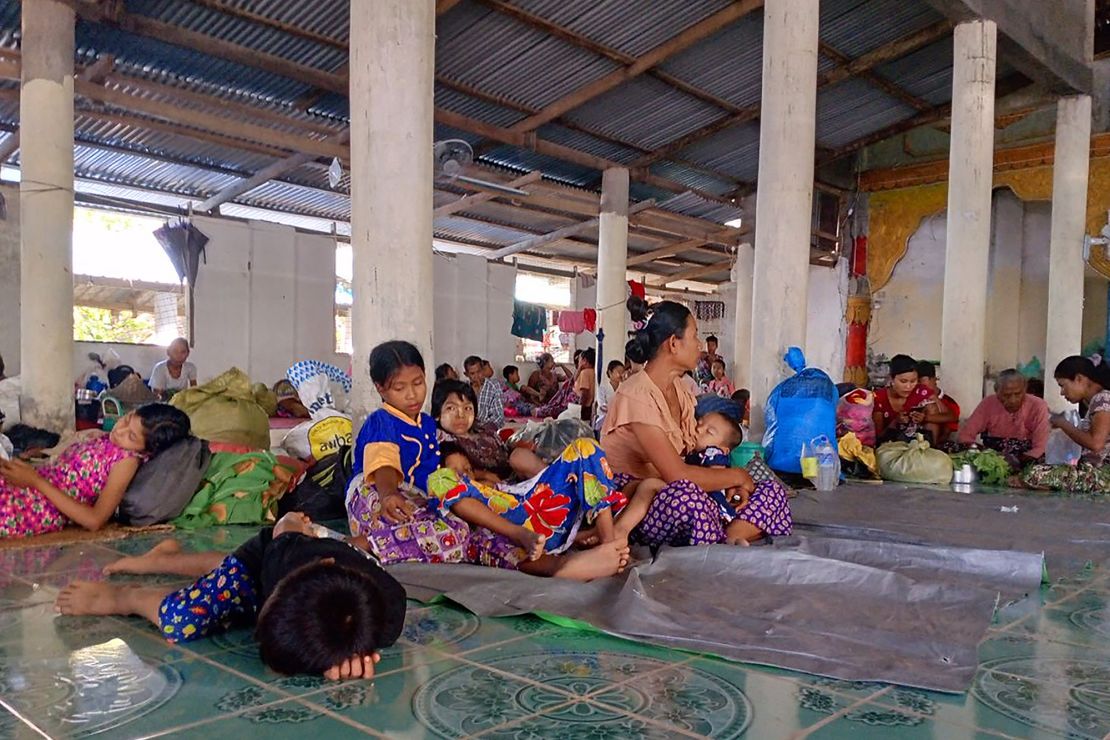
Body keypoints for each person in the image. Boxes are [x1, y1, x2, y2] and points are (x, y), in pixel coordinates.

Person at [55, 511, 406, 680]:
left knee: (231, 587)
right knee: (185, 618)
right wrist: (293, 521)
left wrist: (342, 655)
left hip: (287, 570)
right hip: (272, 548)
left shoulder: (388, 614)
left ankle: (166, 558)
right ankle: (126, 595)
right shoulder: (289, 552)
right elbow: (284, 526)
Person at [601, 301, 766, 547]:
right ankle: (726, 532)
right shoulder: (636, 394)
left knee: (769, 492)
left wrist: (728, 482)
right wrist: (737, 476)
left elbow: (692, 458)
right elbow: (677, 475)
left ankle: (725, 535)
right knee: (689, 500)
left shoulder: (680, 389)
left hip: (673, 486)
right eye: (695, 335)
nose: (700, 345)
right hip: (634, 499)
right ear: (674, 344)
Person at [0, 405, 191, 538]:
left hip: (36, 508)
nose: (120, 431)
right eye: (126, 420)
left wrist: (35, 482)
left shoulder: (127, 462)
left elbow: (95, 520)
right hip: (29, 487)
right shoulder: (105, 439)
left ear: (147, 450)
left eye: (131, 436)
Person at [1023, 356, 1110, 492]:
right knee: (1037, 468)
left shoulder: (1102, 399)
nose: (1062, 392)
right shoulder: (1095, 402)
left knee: (1034, 475)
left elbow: (1096, 444)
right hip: (1094, 470)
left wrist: (1063, 424)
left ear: (1079, 379)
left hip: (1102, 474)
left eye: (1063, 385)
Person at [433, 379, 543, 483]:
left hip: (512, 478)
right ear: (437, 414)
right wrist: (485, 475)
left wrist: (516, 445)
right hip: (483, 487)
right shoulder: (441, 440)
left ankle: (554, 484)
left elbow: (505, 451)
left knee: (519, 456)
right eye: (451, 408)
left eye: (467, 408)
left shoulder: (483, 430)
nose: (461, 415)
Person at [957, 369, 1050, 463]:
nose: (1013, 400)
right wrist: (986, 454)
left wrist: (1016, 462)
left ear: (1025, 389)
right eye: (1006, 395)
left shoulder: (1038, 405)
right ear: (997, 392)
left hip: (1026, 460)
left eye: (1018, 394)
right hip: (993, 459)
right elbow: (965, 436)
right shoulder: (988, 403)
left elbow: (1040, 447)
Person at [872, 354, 942, 443]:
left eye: (913, 381)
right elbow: (878, 437)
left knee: (931, 406)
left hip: (917, 444)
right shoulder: (879, 398)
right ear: (891, 379)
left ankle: (931, 448)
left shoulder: (920, 391)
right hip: (890, 446)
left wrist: (925, 418)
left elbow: (951, 416)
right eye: (903, 381)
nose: (908, 386)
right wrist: (895, 422)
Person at [915, 361, 960, 445]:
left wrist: (925, 418)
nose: (919, 385)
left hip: (933, 446)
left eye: (922, 380)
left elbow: (946, 433)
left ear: (934, 379)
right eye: (916, 381)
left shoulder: (950, 403)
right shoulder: (912, 397)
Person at [464, 355, 505, 428]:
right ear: (466, 374)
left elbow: (498, 417)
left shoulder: (493, 386)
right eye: (472, 373)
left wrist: (482, 428)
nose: (476, 376)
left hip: (486, 429)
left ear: (483, 370)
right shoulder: (464, 388)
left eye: (479, 372)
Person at [595, 360, 625, 432]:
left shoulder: (624, 388)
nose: (621, 375)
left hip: (619, 420)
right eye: (618, 372)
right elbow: (602, 405)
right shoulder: (602, 388)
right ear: (610, 373)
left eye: (622, 372)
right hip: (604, 419)